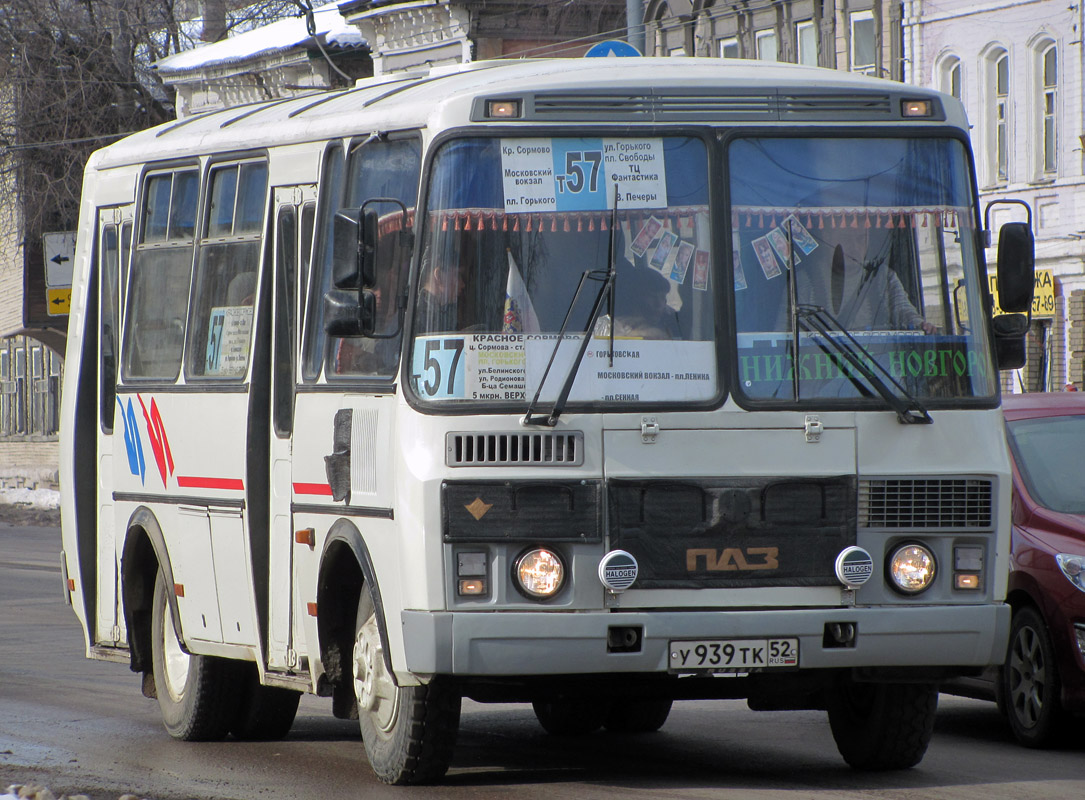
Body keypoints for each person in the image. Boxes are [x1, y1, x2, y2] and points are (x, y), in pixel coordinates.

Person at [793, 224, 937, 334]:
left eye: (860, 239)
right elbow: (785, 334)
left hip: (880, 369)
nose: (854, 246)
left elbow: (903, 311)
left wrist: (920, 325)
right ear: (827, 238)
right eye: (846, 238)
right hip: (823, 368)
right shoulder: (805, 280)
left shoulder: (882, 277)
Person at [601, 266, 681, 339]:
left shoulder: (673, 322)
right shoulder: (613, 324)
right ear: (636, 298)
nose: (659, 304)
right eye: (652, 297)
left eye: (662, 298)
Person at [415, 246, 465, 333]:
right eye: (458, 275)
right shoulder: (419, 318)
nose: (463, 284)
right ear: (439, 276)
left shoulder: (442, 312)